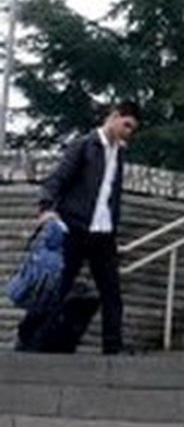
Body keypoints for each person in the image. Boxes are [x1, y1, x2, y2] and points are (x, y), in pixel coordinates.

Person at [33, 100, 141, 355]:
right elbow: (58, 178)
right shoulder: (84, 145)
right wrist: (46, 208)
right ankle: (34, 339)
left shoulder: (119, 153)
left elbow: (110, 193)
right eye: (126, 125)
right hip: (75, 228)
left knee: (111, 291)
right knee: (58, 287)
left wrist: (113, 225)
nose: (128, 132)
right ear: (114, 116)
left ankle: (113, 346)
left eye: (132, 129)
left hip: (103, 233)